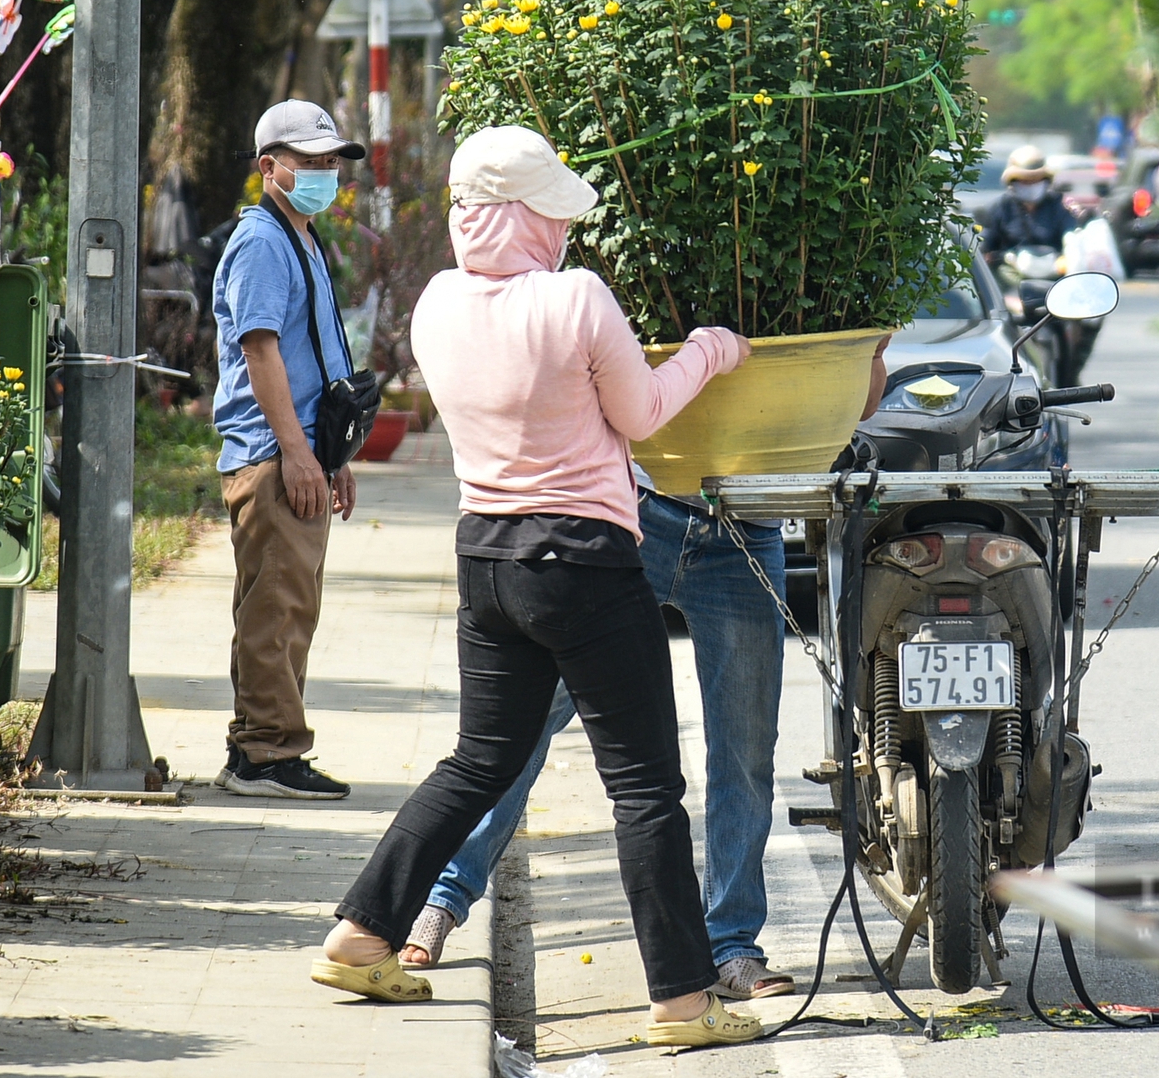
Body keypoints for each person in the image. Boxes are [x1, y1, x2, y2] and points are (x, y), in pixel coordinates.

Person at [313, 125, 764, 1049]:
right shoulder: (575, 298)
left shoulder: (436, 302)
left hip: (485, 559)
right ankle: (684, 1000)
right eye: (552, 211)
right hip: (584, 560)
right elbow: (639, 414)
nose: (563, 228)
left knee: (478, 762)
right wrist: (711, 351)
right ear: (520, 216)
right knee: (644, 785)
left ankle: (361, 935)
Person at [395, 343, 890, 1004]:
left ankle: (732, 946)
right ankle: (446, 895)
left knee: (744, 751)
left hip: (745, 531)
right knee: (530, 717)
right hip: (640, 514)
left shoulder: (800, 283)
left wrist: (868, 356)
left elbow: (855, 400)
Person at [210, 100, 365, 801]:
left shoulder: (299, 235)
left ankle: (265, 743)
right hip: (274, 456)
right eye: (310, 163)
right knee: (276, 607)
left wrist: (334, 455)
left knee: (289, 605)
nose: (326, 174)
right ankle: (265, 754)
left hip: (299, 451)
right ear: (269, 167)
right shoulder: (264, 241)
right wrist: (298, 454)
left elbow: (310, 359)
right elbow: (262, 349)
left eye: (332, 162)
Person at [979, 143, 1078, 270]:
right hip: (1009, 280)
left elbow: (1071, 240)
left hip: (1054, 278)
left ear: (1046, 180)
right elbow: (985, 246)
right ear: (1012, 182)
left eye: (1036, 180)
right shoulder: (999, 208)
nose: (1031, 185)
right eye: (1025, 181)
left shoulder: (1060, 207)